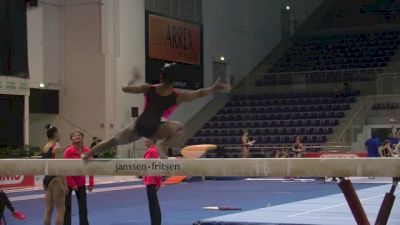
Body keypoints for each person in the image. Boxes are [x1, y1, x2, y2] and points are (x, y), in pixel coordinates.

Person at [82, 63, 230, 159]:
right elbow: (199, 93)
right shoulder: (178, 96)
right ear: (175, 80)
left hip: (138, 126)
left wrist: (133, 78)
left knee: (113, 141)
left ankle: (88, 154)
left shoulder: (148, 88)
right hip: (156, 129)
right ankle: (162, 147)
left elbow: (125, 88)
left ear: (161, 76)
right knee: (180, 127)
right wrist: (213, 88)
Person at [63, 130, 94, 225]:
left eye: (79, 135)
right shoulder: (67, 152)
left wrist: (91, 183)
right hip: (68, 183)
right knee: (67, 208)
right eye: (74, 135)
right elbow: (65, 170)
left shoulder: (87, 151)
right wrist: (72, 184)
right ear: (71, 139)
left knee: (83, 208)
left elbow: (91, 168)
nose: (76, 136)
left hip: (81, 184)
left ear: (82, 138)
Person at [42, 125, 67, 225]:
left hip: (46, 179)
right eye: (59, 132)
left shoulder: (45, 147)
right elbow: (60, 168)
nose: (60, 134)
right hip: (55, 179)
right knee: (60, 210)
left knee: (48, 210)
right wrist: (64, 184)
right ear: (55, 134)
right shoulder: (57, 148)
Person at [143, 139, 162, 225]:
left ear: (152, 140)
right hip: (149, 180)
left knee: (153, 204)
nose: (144, 140)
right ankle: (154, 222)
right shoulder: (149, 150)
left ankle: (156, 223)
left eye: (146, 139)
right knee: (152, 204)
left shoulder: (153, 151)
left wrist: (158, 182)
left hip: (152, 181)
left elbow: (157, 167)